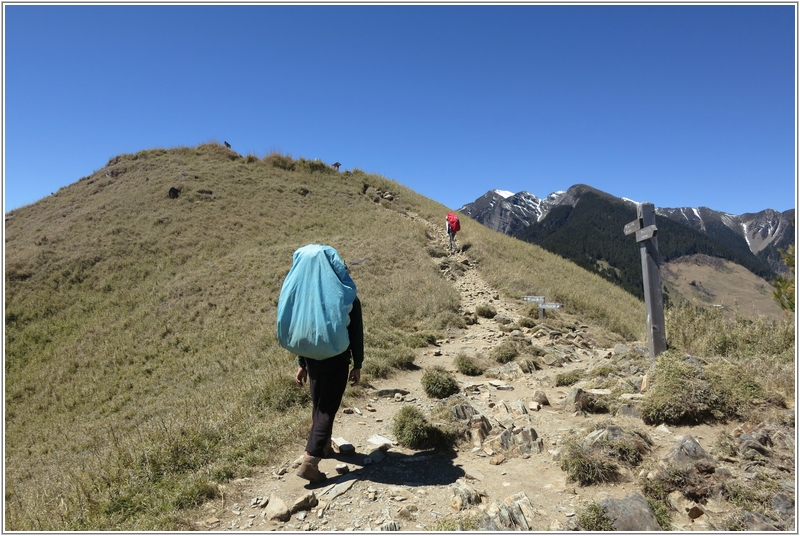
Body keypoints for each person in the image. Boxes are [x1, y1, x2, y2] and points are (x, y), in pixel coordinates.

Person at [276, 244, 363, 483]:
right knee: (327, 408)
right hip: (336, 358)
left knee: (318, 404)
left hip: (311, 359)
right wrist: (358, 364)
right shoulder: (345, 296)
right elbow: (355, 332)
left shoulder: (304, 297)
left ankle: (323, 446)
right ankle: (310, 461)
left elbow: (305, 330)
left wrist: (302, 363)